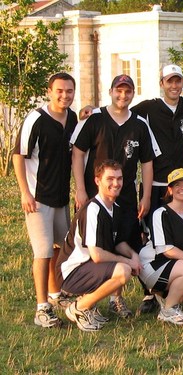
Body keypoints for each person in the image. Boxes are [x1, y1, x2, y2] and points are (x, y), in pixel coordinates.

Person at [71, 74, 160, 318]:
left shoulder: (140, 124)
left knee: (121, 242)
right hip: (95, 193)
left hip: (126, 194)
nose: (123, 96)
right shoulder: (94, 119)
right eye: (118, 91)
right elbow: (78, 153)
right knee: (94, 246)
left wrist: (146, 196)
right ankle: (87, 297)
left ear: (133, 93)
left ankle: (116, 298)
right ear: (110, 91)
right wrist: (80, 189)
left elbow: (148, 162)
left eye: (128, 91)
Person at [130, 65, 183, 314]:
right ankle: (150, 292)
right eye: (169, 81)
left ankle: (177, 286)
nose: (174, 86)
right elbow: (118, 112)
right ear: (162, 83)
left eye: (178, 81)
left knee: (177, 236)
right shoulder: (148, 108)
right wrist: (89, 111)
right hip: (156, 183)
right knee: (149, 238)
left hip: (180, 185)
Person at [13, 72, 78, 328]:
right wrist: (24, 192)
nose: (64, 95)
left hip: (60, 196)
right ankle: (42, 309)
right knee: (41, 252)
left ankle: (55, 293)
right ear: (49, 91)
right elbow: (18, 155)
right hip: (38, 198)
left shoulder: (71, 118)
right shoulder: (36, 119)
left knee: (60, 249)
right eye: (60, 91)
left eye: (69, 91)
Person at [56, 160, 142, 331]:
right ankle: (79, 308)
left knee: (126, 263)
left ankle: (88, 306)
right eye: (110, 179)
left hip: (88, 267)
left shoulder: (114, 208)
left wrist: (134, 256)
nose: (116, 183)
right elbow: (97, 255)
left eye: (119, 178)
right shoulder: (93, 209)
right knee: (123, 271)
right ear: (97, 181)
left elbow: (118, 244)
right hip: (71, 272)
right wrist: (127, 263)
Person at [138, 168, 183, 324]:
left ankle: (165, 295)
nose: (182, 188)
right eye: (176, 185)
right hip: (153, 265)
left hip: (179, 267)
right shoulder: (161, 213)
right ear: (170, 190)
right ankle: (168, 310)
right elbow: (167, 250)